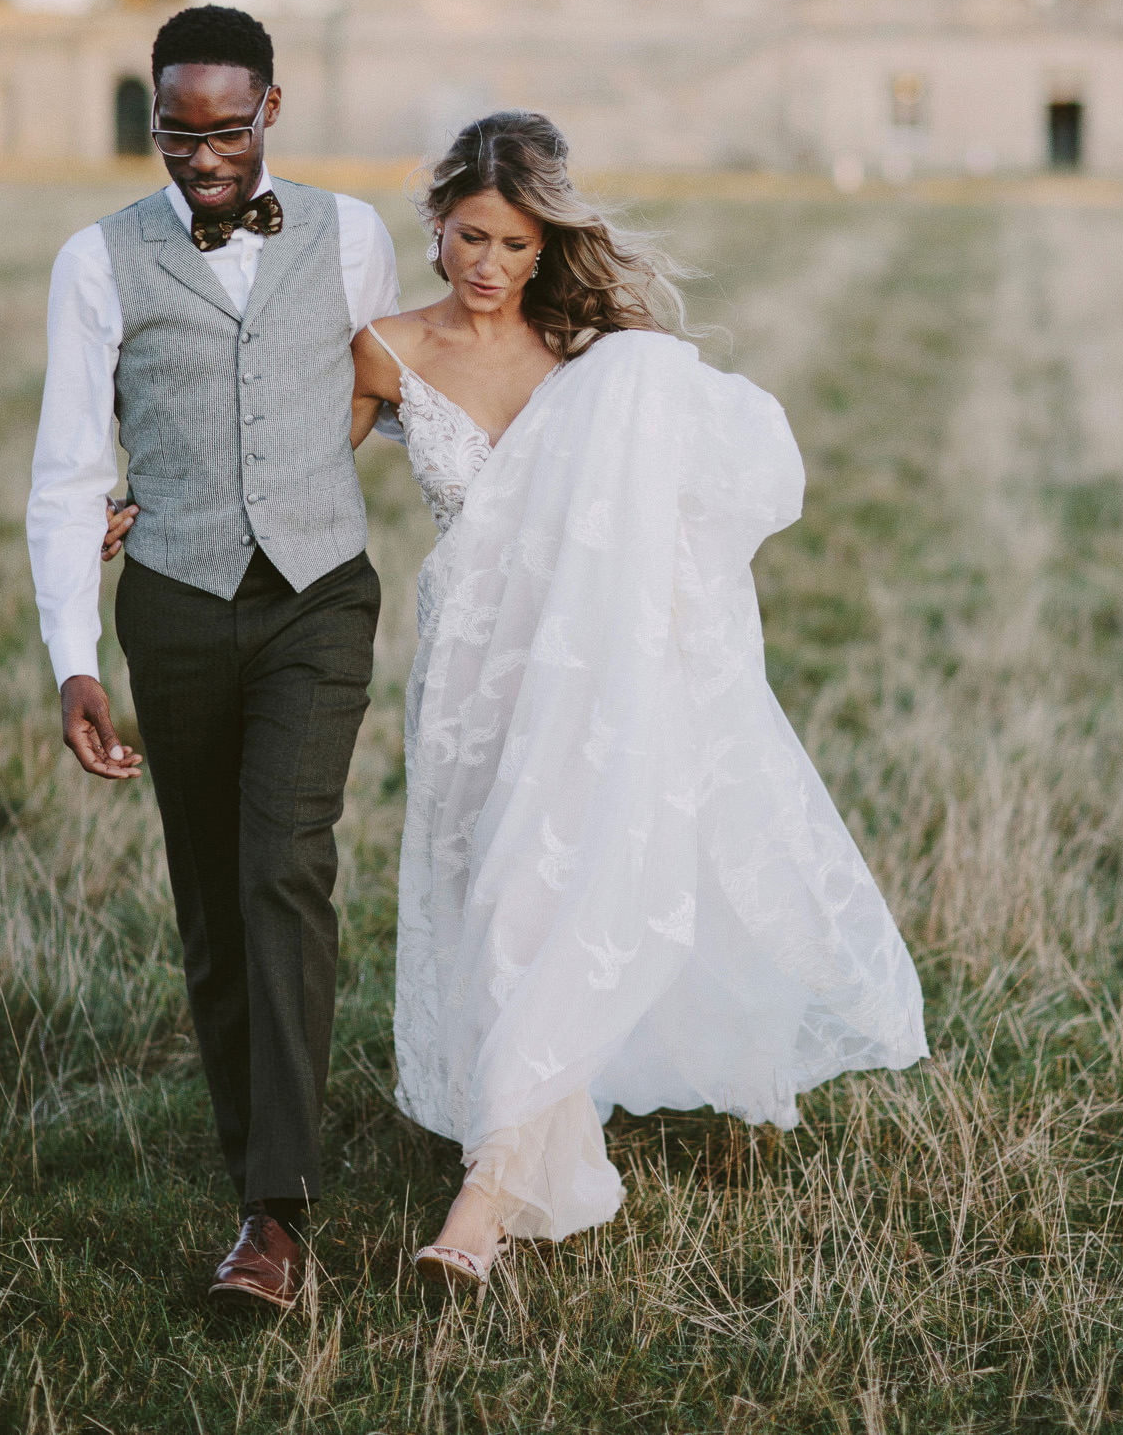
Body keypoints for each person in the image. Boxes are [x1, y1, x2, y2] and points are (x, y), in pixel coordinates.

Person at [350, 111, 927, 1293]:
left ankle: (485, 1201)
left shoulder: (603, 359)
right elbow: (296, 492)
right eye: (469, 237)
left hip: (594, 669)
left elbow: (740, 476)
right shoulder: (384, 351)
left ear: (547, 244)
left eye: (516, 245)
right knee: (487, 893)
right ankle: (517, 1130)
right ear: (437, 225)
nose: (490, 267)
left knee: (544, 892)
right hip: (473, 669)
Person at [27, 5, 400, 1313]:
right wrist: (73, 651)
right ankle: (258, 1153)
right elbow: (70, 465)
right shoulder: (95, 260)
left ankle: (275, 1214)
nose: (201, 159)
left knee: (284, 866)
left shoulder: (353, 234)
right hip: (174, 609)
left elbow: (380, 389)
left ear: (273, 112)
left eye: (226, 131)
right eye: (176, 134)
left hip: (319, 596)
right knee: (210, 899)